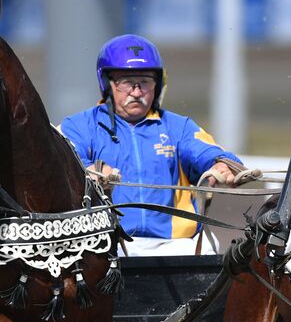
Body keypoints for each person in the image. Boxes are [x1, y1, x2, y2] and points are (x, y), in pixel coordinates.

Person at [59, 34, 258, 255]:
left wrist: (222, 165)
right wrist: (88, 172)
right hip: (106, 241)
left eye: (144, 82)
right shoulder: (77, 126)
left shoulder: (179, 127)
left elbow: (207, 151)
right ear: (107, 84)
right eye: (127, 83)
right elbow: (60, 162)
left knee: (213, 249)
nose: (136, 92)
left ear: (157, 85)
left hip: (173, 245)